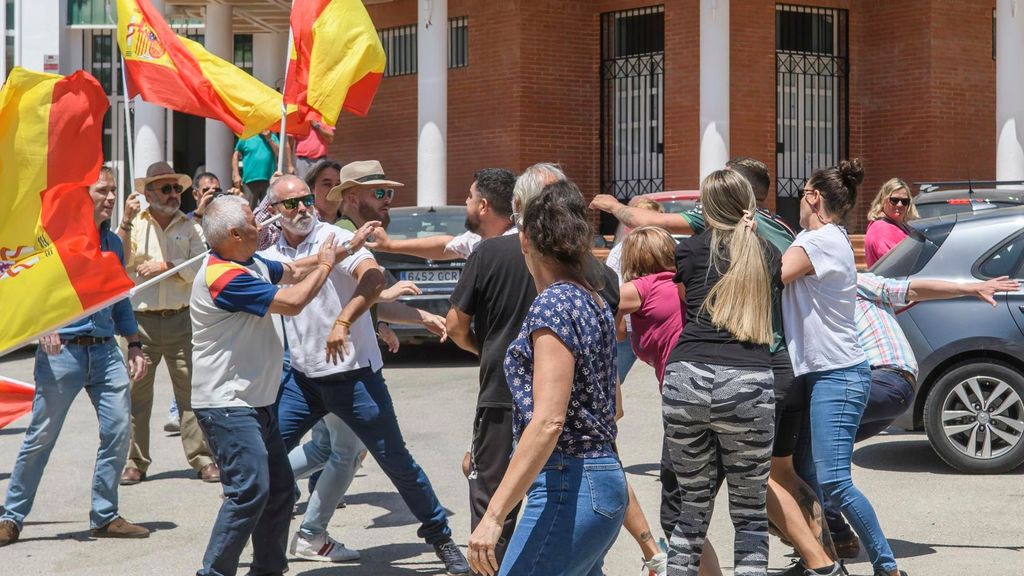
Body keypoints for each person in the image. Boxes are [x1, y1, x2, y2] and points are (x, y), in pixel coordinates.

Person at [263, 175, 470, 573]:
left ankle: (440, 537)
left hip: (355, 379)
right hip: (302, 381)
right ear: (274, 211)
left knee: (396, 462)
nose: (303, 208)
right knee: (263, 454)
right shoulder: (270, 250)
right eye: (292, 204)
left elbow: (374, 280)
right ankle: (260, 538)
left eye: (307, 200)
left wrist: (344, 321)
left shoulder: (334, 237)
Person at [189, 193, 369, 576]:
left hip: (256, 401)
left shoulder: (246, 261)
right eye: (254, 224)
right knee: (250, 491)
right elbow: (293, 301)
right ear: (235, 234)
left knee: (281, 489)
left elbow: (294, 270)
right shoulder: (224, 277)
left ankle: (268, 569)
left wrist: (344, 249)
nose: (262, 227)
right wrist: (324, 266)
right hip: (228, 404)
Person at [468, 180, 627, 576]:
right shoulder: (591, 299)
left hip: (567, 483)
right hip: (600, 478)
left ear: (525, 241)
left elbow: (549, 420)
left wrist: (494, 515)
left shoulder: (553, 305)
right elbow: (615, 406)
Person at [0, 166, 150, 547]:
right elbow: (30, 291)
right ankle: (11, 518)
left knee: (118, 432)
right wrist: (41, 326)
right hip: (60, 354)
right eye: (104, 190)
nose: (112, 198)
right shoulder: (52, 241)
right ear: (84, 195)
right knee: (41, 438)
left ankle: (105, 515)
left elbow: (119, 300)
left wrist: (134, 343)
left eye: (114, 190)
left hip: (104, 352)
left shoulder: (113, 245)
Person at [781, 159, 906, 576]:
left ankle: (887, 568)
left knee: (835, 481)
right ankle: (820, 559)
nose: (798, 203)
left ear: (814, 198)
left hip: (838, 375)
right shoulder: (817, 238)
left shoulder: (820, 242)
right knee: (805, 473)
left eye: (802, 195)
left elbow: (772, 274)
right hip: (823, 376)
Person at [661, 169, 780, 576]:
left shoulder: (689, 251)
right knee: (749, 513)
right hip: (748, 381)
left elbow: (685, 301)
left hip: (686, 376)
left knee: (692, 509)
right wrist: (754, 227)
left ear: (706, 207)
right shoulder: (766, 252)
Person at [116, 161, 218, 486]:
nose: (175, 194)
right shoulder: (135, 224)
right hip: (139, 325)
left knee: (191, 395)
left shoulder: (190, 226)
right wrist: (126, 221)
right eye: (166, 188)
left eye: (177, 188)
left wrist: (167, 266)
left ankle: (203, 459)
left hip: (180, 320)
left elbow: (202, 267)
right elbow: (116, 262)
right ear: (148, 193)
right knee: (136, 396)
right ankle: (135, 462)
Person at [604, 197, 666, 384]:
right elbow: (612, 292)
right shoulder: (619, 252)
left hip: (659, 325)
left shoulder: (668, 248)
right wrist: (618, 325)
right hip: (629, 327)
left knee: (670, 379)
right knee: (612, 382)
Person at [864, 178, 916, 267]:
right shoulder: (882, 229)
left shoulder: (899, 225)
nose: (899, 205)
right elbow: (900, 264)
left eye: (904, 201)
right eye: (894, 200)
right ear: (883, 200)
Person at [233, 130, 292, 208]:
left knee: (268, 209)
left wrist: (269, 139)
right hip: (250, 180)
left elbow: (279, 153)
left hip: (268, 180)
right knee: (248, 208)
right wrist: (236, 174)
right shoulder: (246, 136)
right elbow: (236, 155)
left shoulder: (272, 137)